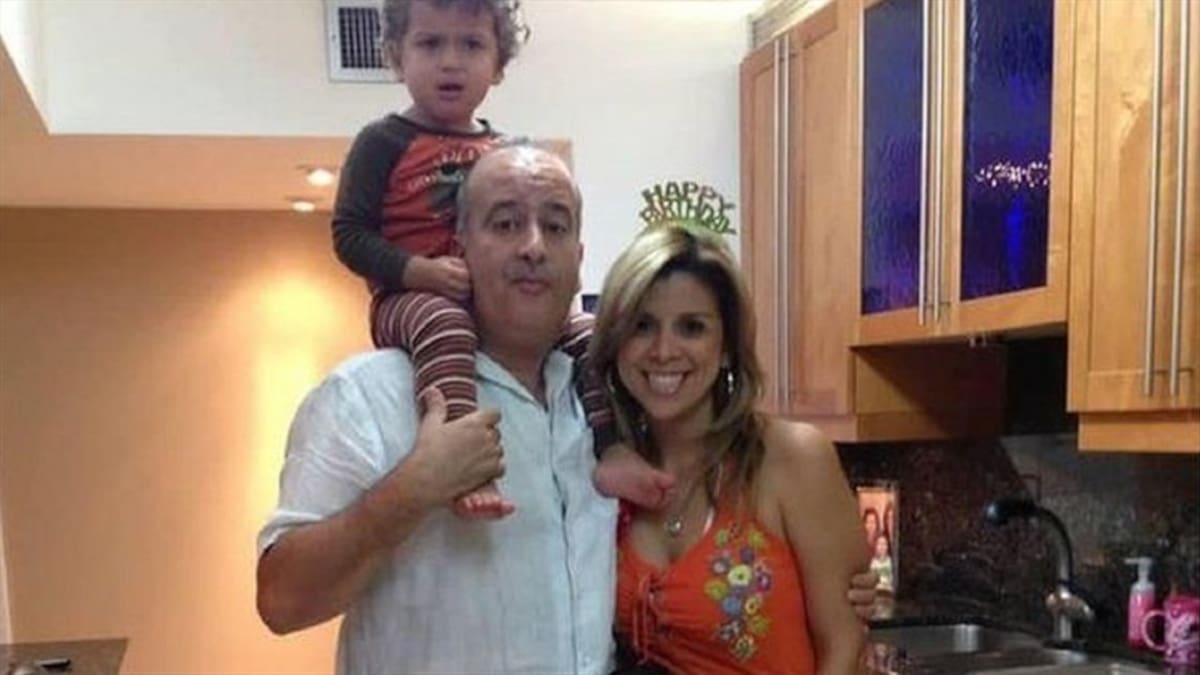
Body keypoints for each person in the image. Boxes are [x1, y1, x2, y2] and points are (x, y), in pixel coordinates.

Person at [257, 144, 879, 674]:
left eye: (555, 227)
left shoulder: (604, 417)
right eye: (505, 224)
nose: (533, 246)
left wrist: (845, 591)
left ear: (578, 257)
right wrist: (414, 488)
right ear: (460, 247)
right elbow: (281, 602)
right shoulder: (370, 397)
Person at [330, 0, 669, 518]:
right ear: (397, 56)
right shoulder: (382, 142)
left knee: (590, 333)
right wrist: (416, 271)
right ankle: (462, 460)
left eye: (471, 45)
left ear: (498, 64)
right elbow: (349, 233)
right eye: (430, 43)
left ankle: (612, 447)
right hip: (411, 300)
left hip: (488, 304)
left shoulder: (506, 151)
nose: (451, 61)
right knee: (445, 324)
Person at [589, 225, 869, 674]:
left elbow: (845, 646)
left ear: (726, 348)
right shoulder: (605, 471)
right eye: (641, 326)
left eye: (692, 327)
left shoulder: (793, 458)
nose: (663, 350)